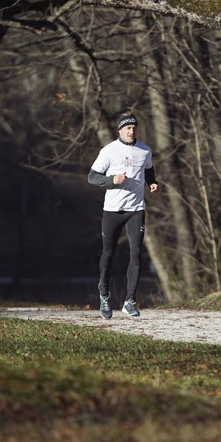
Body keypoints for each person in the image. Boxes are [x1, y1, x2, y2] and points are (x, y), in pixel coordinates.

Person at [87, 111, 159, 319]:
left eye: (134, 127)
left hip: (136, 209)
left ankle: (130, 301)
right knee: (109, 254)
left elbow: (149, 169)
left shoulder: (145, 150)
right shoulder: (109, 150)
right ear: (120, 130)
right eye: (128, 127)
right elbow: (92, 177)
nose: (131, 130)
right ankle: (104, 294)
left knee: (136, 254)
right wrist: (112, 181)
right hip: (112, 210)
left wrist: (152, 183)